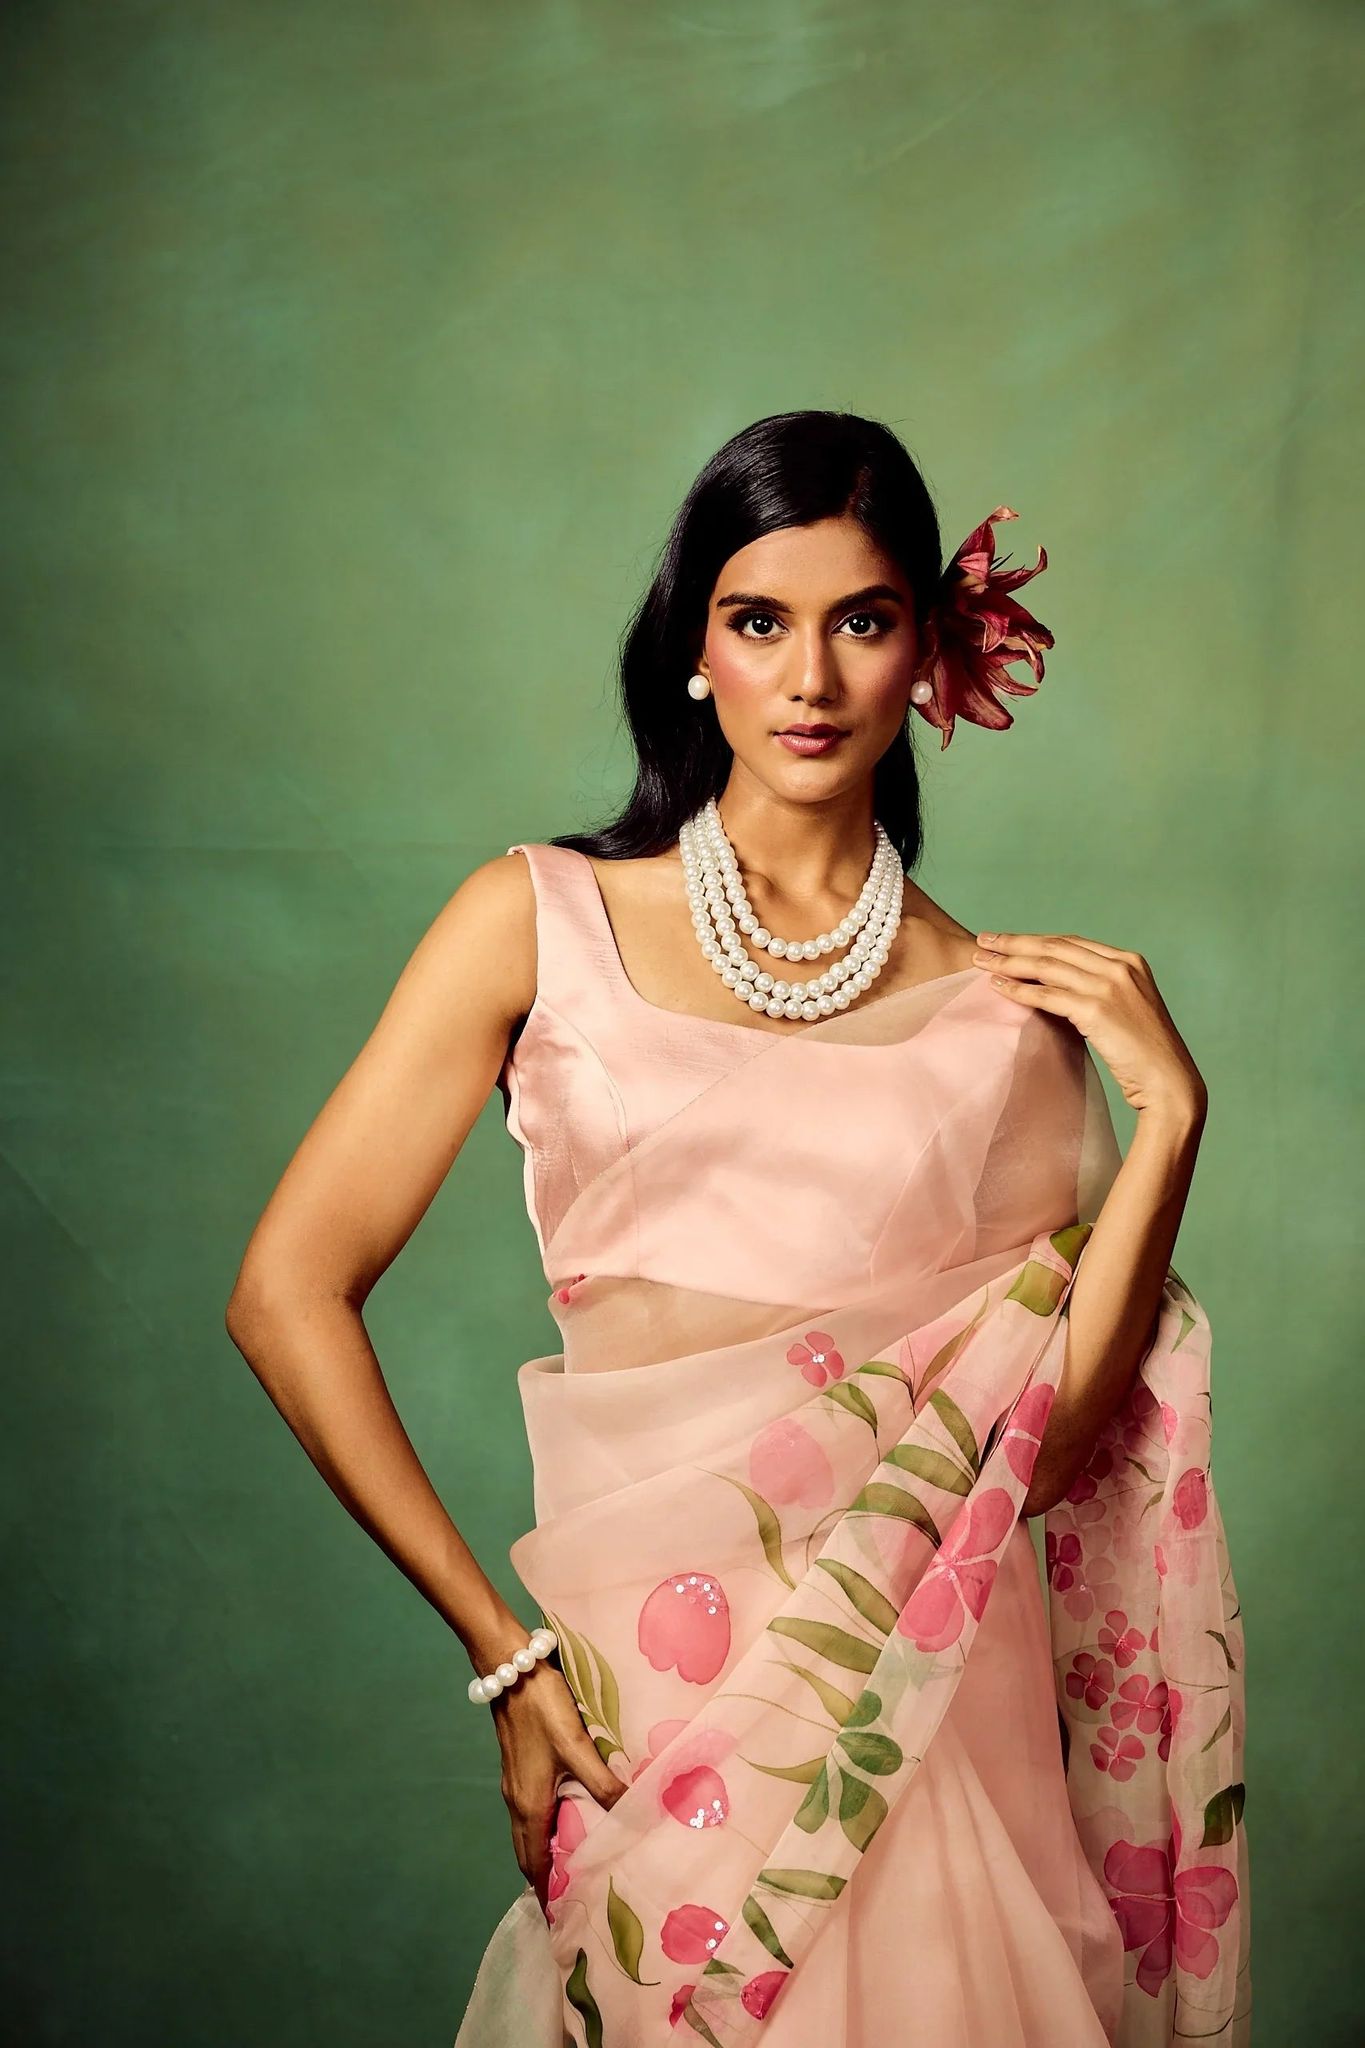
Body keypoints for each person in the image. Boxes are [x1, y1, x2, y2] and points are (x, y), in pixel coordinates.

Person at [225, 411, 1251, 2047]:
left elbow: (1040, 1455)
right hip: (651, 1719)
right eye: (758, 621)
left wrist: (1171, 1124)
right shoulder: (535, 922)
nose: (810, 679)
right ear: (693, 650)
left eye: (863, 621)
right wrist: (502, 1656)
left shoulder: (1000, 1023)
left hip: (912, 1734)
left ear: (927, 651)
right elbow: (286, 1291)